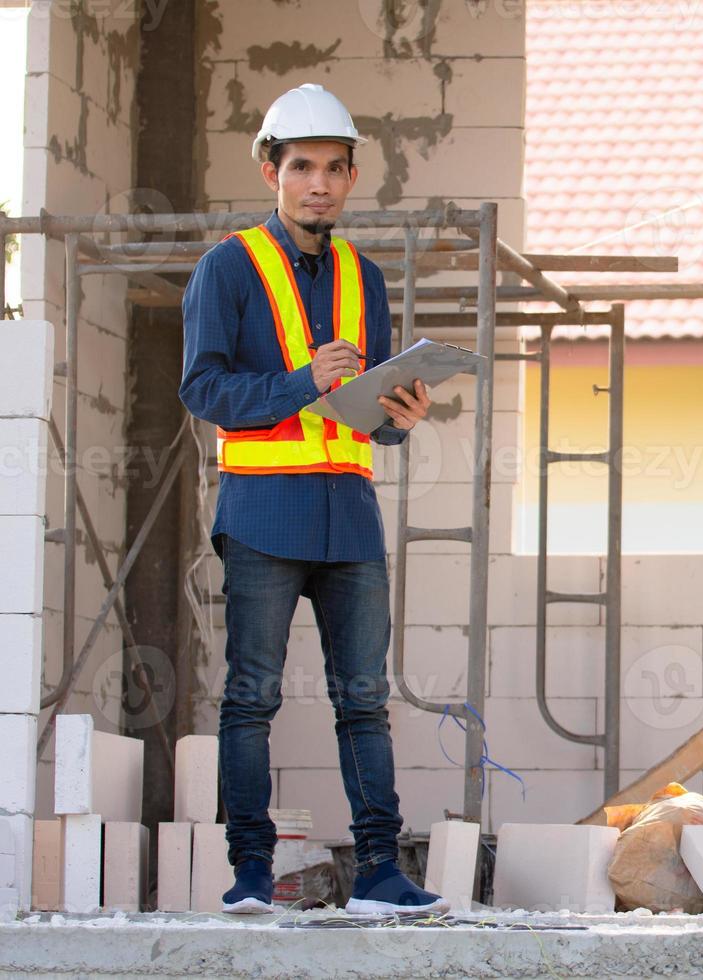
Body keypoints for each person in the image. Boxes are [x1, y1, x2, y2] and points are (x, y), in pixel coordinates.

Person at [179, 83, 445, 915]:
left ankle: (378, 872)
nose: (319, 183)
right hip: (262, 510)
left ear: (352, 175)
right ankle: (251, 873)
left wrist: (401, 417)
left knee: (365, 700)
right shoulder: (226, 268)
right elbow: (204, 388)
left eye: (334, 168)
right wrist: (302, 381)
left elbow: (366, 413)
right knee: (251, 697)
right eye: (302, 167)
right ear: (272, 171)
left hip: (350, 516)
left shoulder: (366, 278)